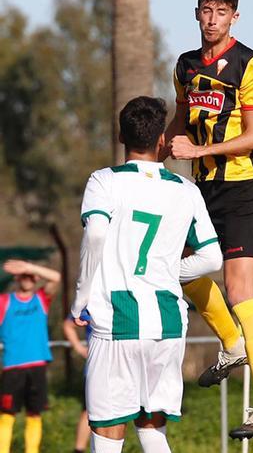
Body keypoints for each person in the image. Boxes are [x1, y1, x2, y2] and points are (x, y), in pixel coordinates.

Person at [163, 0, 253, 438]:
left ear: (234, 16)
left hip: (244, 187)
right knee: (181, 268)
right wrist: (152, 155)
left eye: (221, 12)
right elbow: (180, 120)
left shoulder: (249, 63)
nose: (212, 20)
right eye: (205, 10)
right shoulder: (186, 65)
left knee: (240, 293)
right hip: (201, 190)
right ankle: (232, 344)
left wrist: (197, 153)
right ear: (196, 13)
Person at [71, 96, 223, 453]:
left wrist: (80, 300)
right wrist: (171, 271)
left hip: (116, 322)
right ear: (161, 141)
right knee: (153, 430)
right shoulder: (186, 190)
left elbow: (94, 234)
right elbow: (212, 258)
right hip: (168, 323)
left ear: (121, 137)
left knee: (108, 432)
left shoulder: (104, 181)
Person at [0, 260, 59, 453]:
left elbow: (56, 277)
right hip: (12, 366)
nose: (28, 279)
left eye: (31, 276)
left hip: (37, 365)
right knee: (7, 414)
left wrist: (29, 267)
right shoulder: (5, 301)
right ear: (17, 278)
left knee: (34, 414)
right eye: (23, 276)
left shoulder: (41, 299)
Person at [62, 313, 92, 453]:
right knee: (89, 412)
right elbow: (68, 325)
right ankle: (79, 449)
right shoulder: (92, 301)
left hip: (126, 370)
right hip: (95, 370)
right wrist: (79, 348)